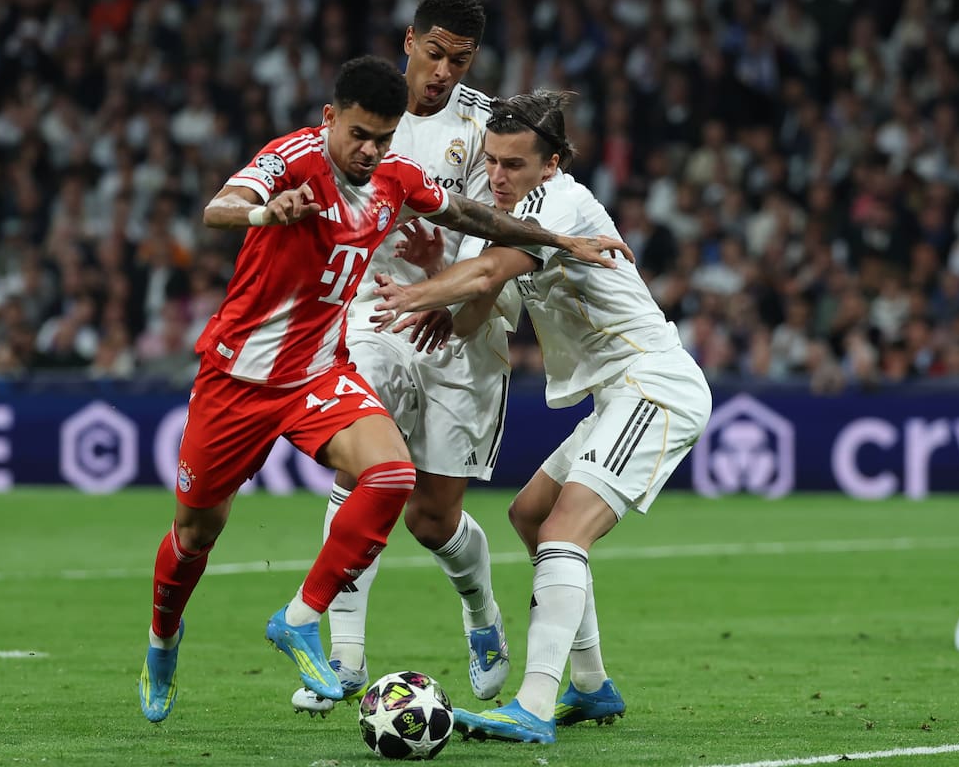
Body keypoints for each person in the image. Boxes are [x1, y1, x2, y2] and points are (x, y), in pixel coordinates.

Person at [137, 58, 631, 724]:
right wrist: (263, 212)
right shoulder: (292, 159)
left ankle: (302, 621)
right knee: (196, 534)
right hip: (237, 380)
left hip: (316, 375)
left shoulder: (395, 176)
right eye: (360, 135)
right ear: (330, 119)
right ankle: (163, 640)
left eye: (383, 137)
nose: (370, 151)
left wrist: (559, 238)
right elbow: (217, 208)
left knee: (391, 476)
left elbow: (476, 218)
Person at [372, 90, 712, 743]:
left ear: (551, 163)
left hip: (654, 385)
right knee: (529, 515)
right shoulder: (504, 219)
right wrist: (442, 288)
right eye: (491, 162)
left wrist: (417, 292)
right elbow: (474, 308)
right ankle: (591, 685)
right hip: (617, 396)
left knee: (562, 532)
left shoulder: (559, 202)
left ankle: (532, 704)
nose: (498, 177)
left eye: (515, 164)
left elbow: (488, 272)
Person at [291, 0, 523, 717]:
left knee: (432, 520)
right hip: (376, 314)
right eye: (435, 53)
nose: (444, 72)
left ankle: (482, 612)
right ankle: (343, 656)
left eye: (461, 60)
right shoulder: (367, 117)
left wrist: (449, 295)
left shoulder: (486, 126)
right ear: (409, 40)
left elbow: (498, 230)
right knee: (362, 472)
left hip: (462, 328)